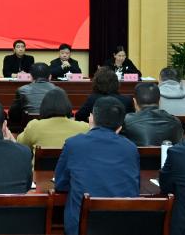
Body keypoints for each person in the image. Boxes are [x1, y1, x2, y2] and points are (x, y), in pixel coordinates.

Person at [55, 96, 139, 235]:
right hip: (122, 226)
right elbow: (134, 186)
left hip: (81, 228)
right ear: (119, 128)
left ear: (91, 119)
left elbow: (60, 184)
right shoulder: (131, 148)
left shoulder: (73, 144)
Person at [17, 89, 89, 150]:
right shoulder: (84, 128)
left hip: (43, 163)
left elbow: (20, 144)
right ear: (67, 105)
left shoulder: (34, 126)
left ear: (44, 106)